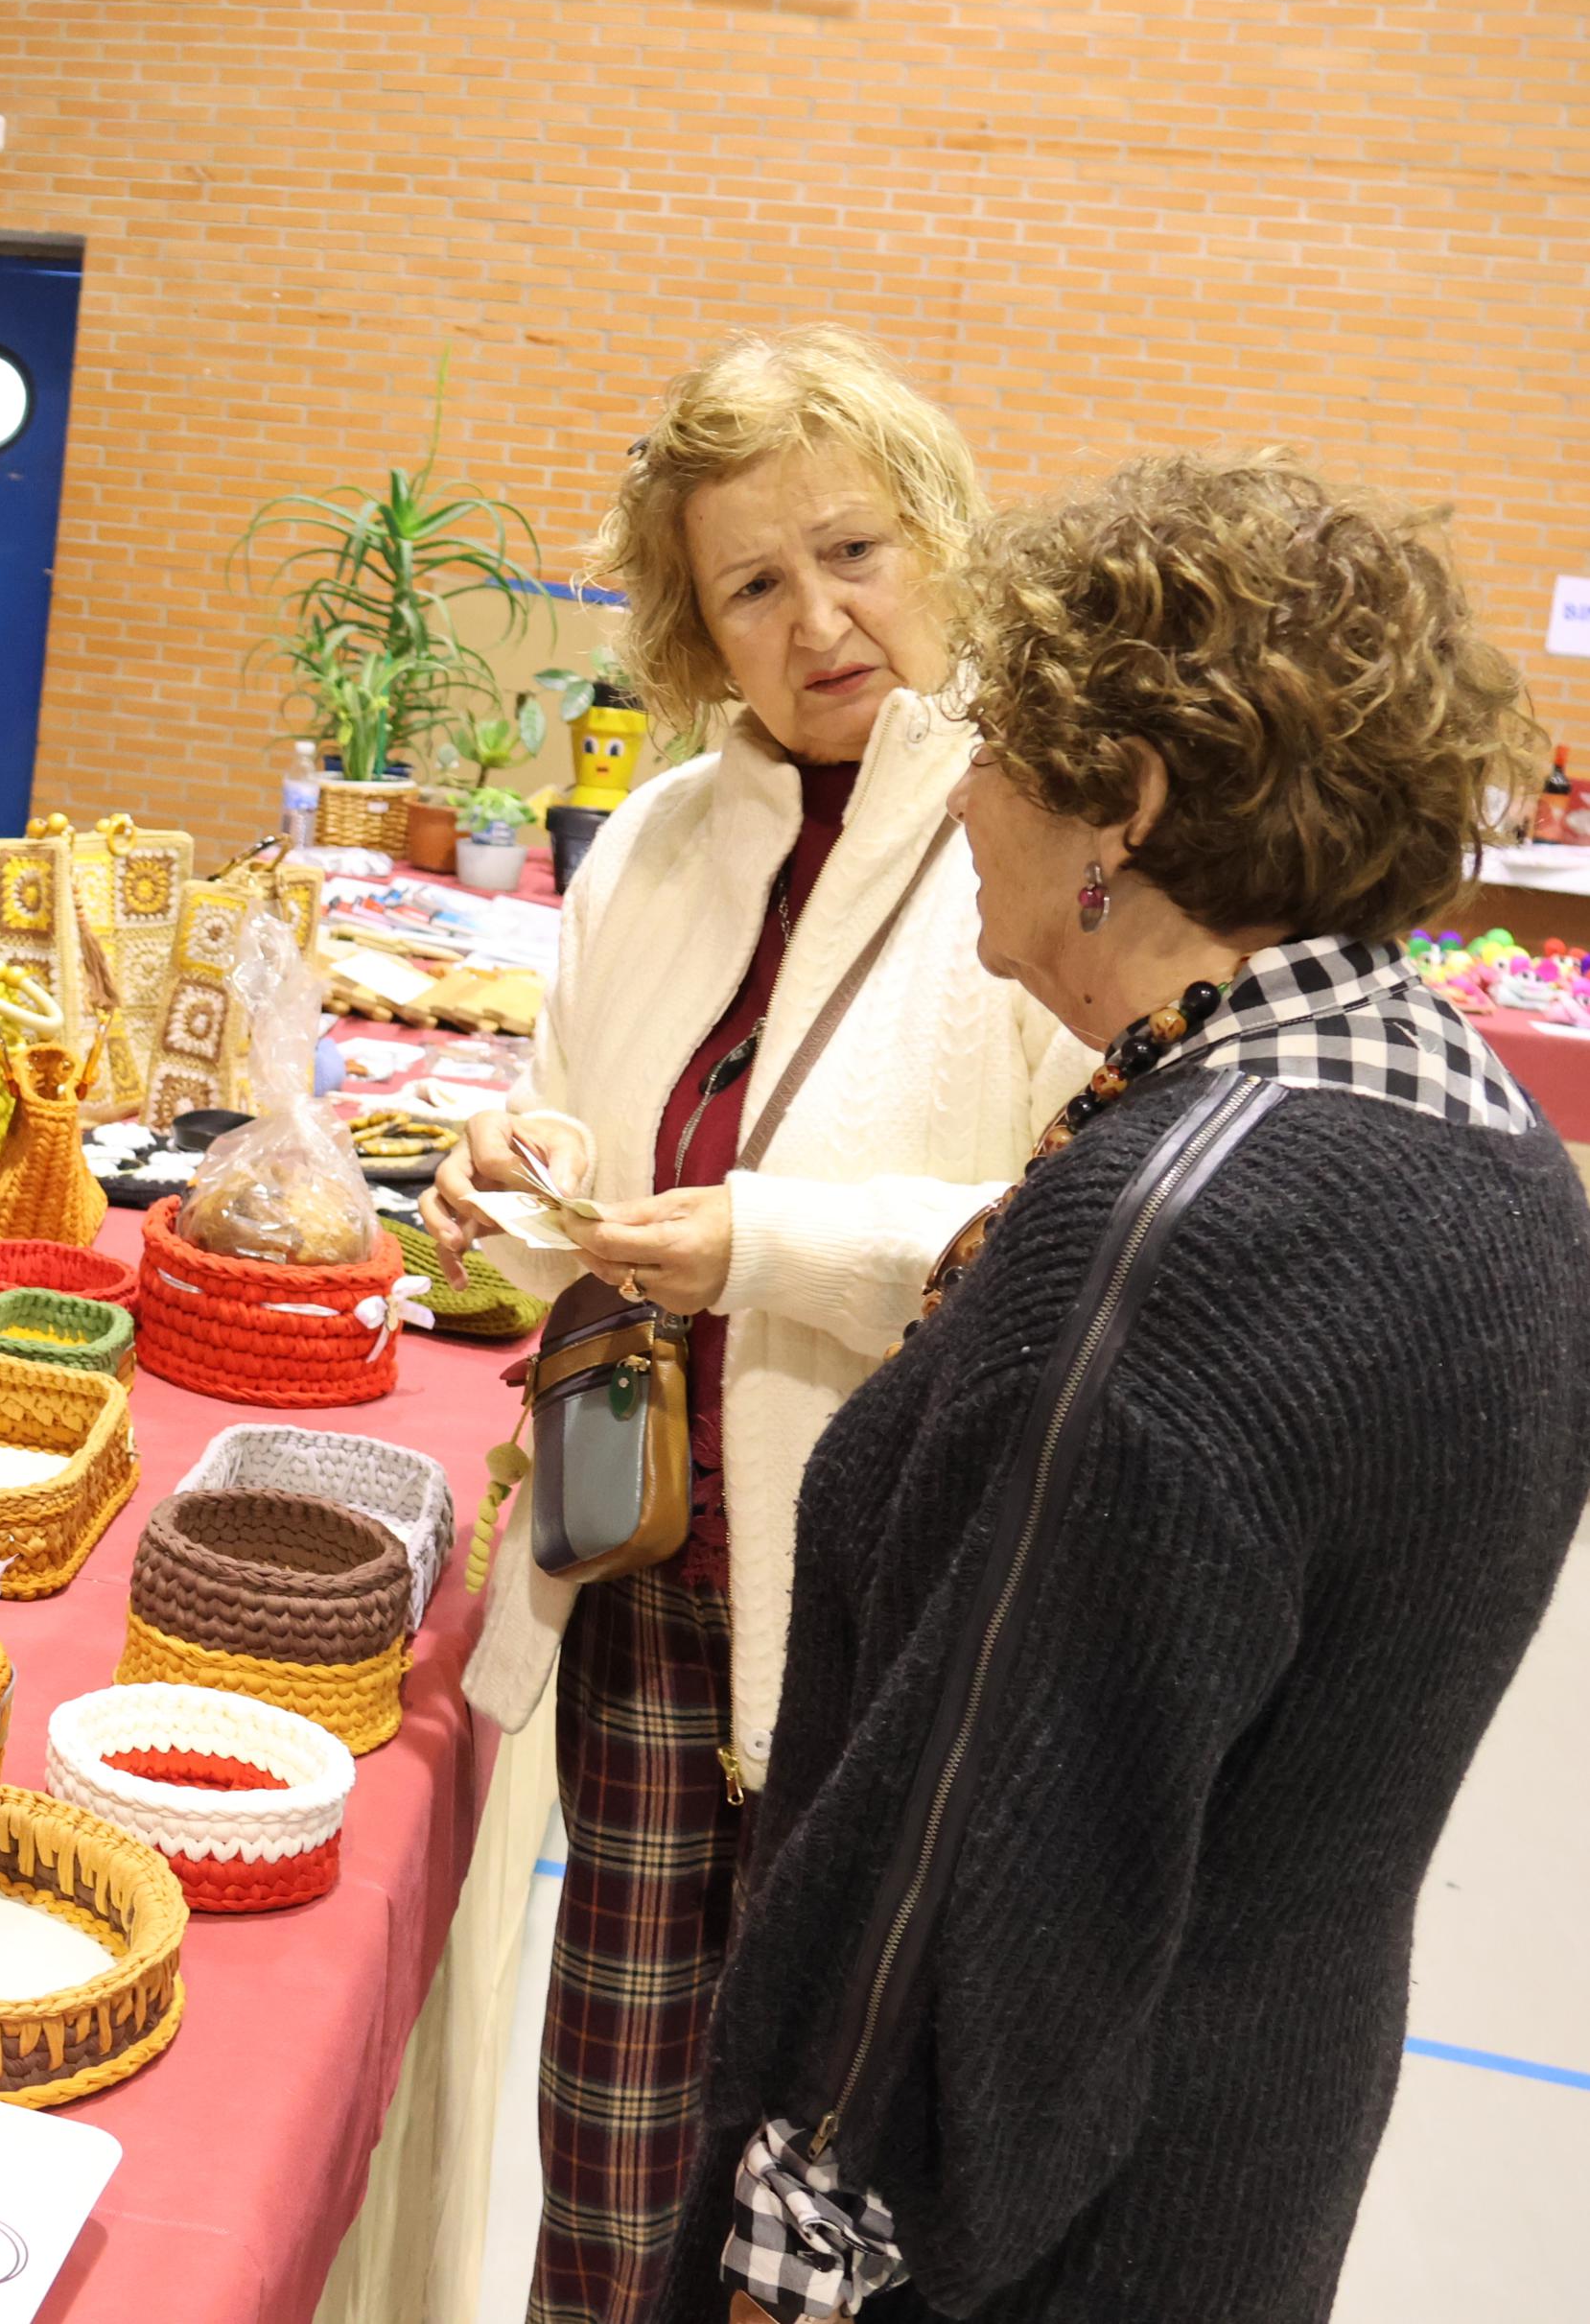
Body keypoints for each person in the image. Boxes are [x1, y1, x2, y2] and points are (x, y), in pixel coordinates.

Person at [668, 457, 1589, 2323]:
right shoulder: (1475, 1133)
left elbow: (973, 1873)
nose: (959, 792)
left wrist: (775, 2262)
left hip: (1022, 2241)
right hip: (1242, 2156)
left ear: (1126, 806)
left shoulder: (1157, 1246)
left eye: (995, 741)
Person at [421, 330, 1088, 2324]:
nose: (817, 621)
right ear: (692, 629)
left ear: (940, 537)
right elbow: (575, 1135)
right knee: (609, 2142)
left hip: (874, 1623)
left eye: (853, 550)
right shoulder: (646, 845)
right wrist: (510, 1184)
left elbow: (1061, 1229)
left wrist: (766, 1245)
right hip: (634, 1573)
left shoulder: (1040, 836)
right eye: (749, 586)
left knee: (810, 2183)